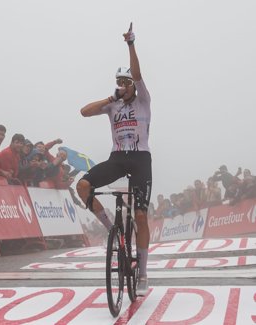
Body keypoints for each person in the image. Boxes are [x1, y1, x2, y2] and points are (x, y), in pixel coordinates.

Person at [76, 23, 152, 296]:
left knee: (141, 216)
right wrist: (112, 97)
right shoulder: (113, 103)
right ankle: (113, 233)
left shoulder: (143, 99)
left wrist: (131, 44)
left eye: (126, 82)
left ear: (134, 85)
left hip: (141, 158)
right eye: (119, 82)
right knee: (83, 187)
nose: (123, 86)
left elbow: (139, 73)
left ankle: (142, 274)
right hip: (118, 157)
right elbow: (84, 112)